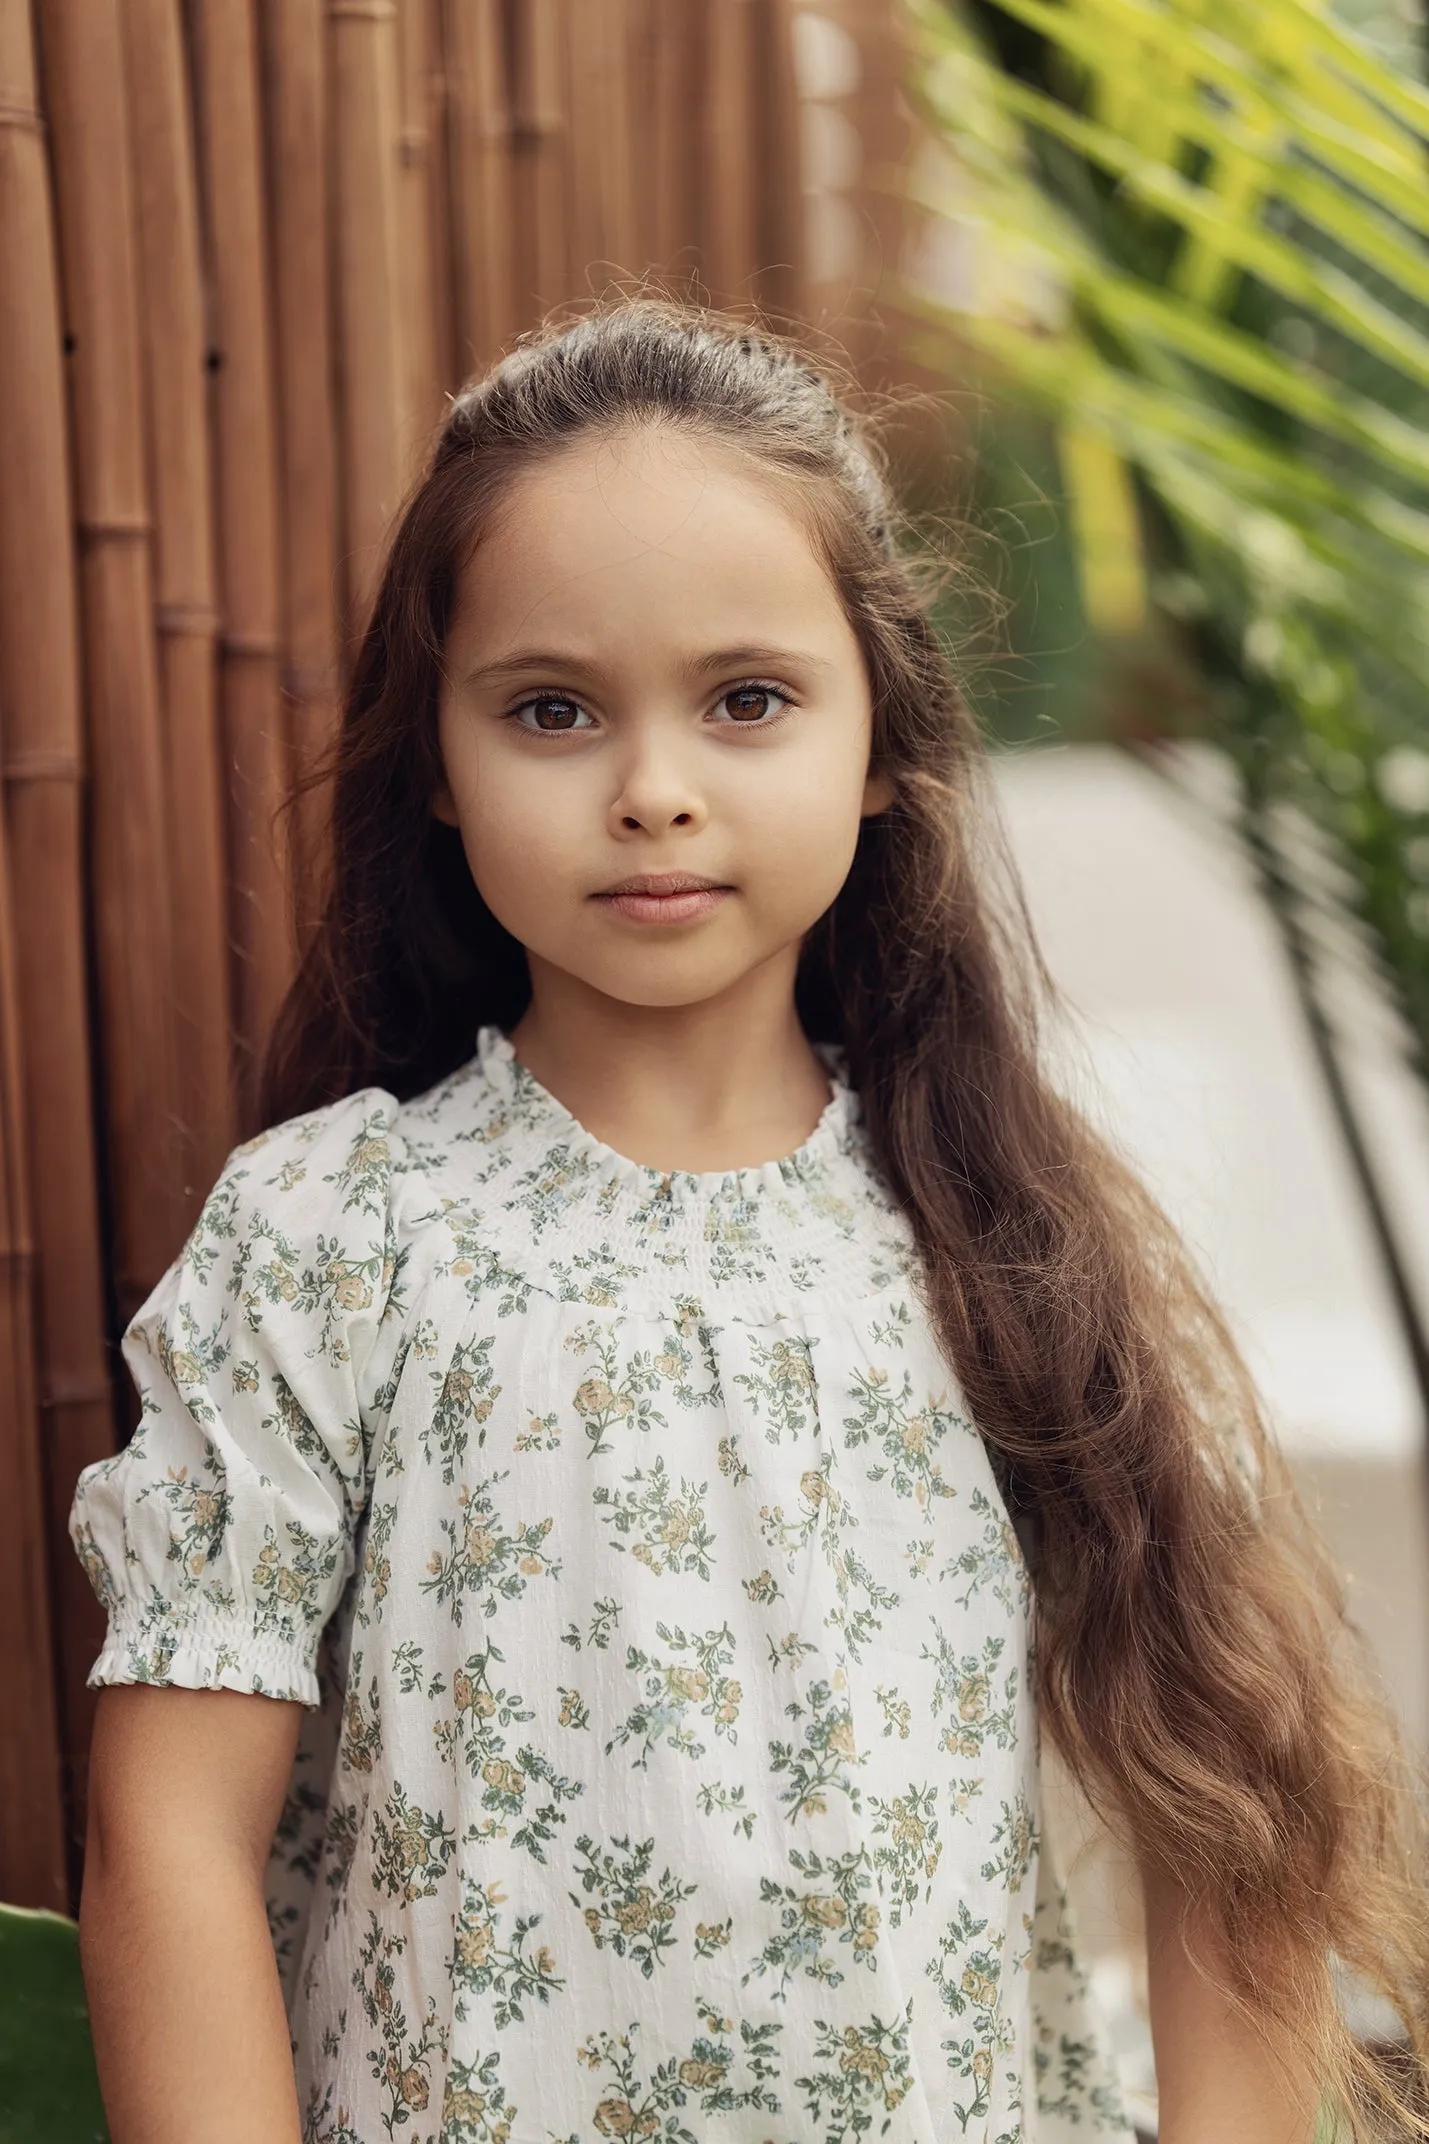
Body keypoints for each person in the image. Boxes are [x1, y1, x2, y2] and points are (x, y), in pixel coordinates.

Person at [71, 299, 1428, 2144]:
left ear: (882, 742)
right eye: (551, 709)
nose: (653, 786)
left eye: (747, 699)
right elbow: (169, 1840)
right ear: (441, 771)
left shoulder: (1010, 1244)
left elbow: (1223, 1809)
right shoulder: (333, 1241)